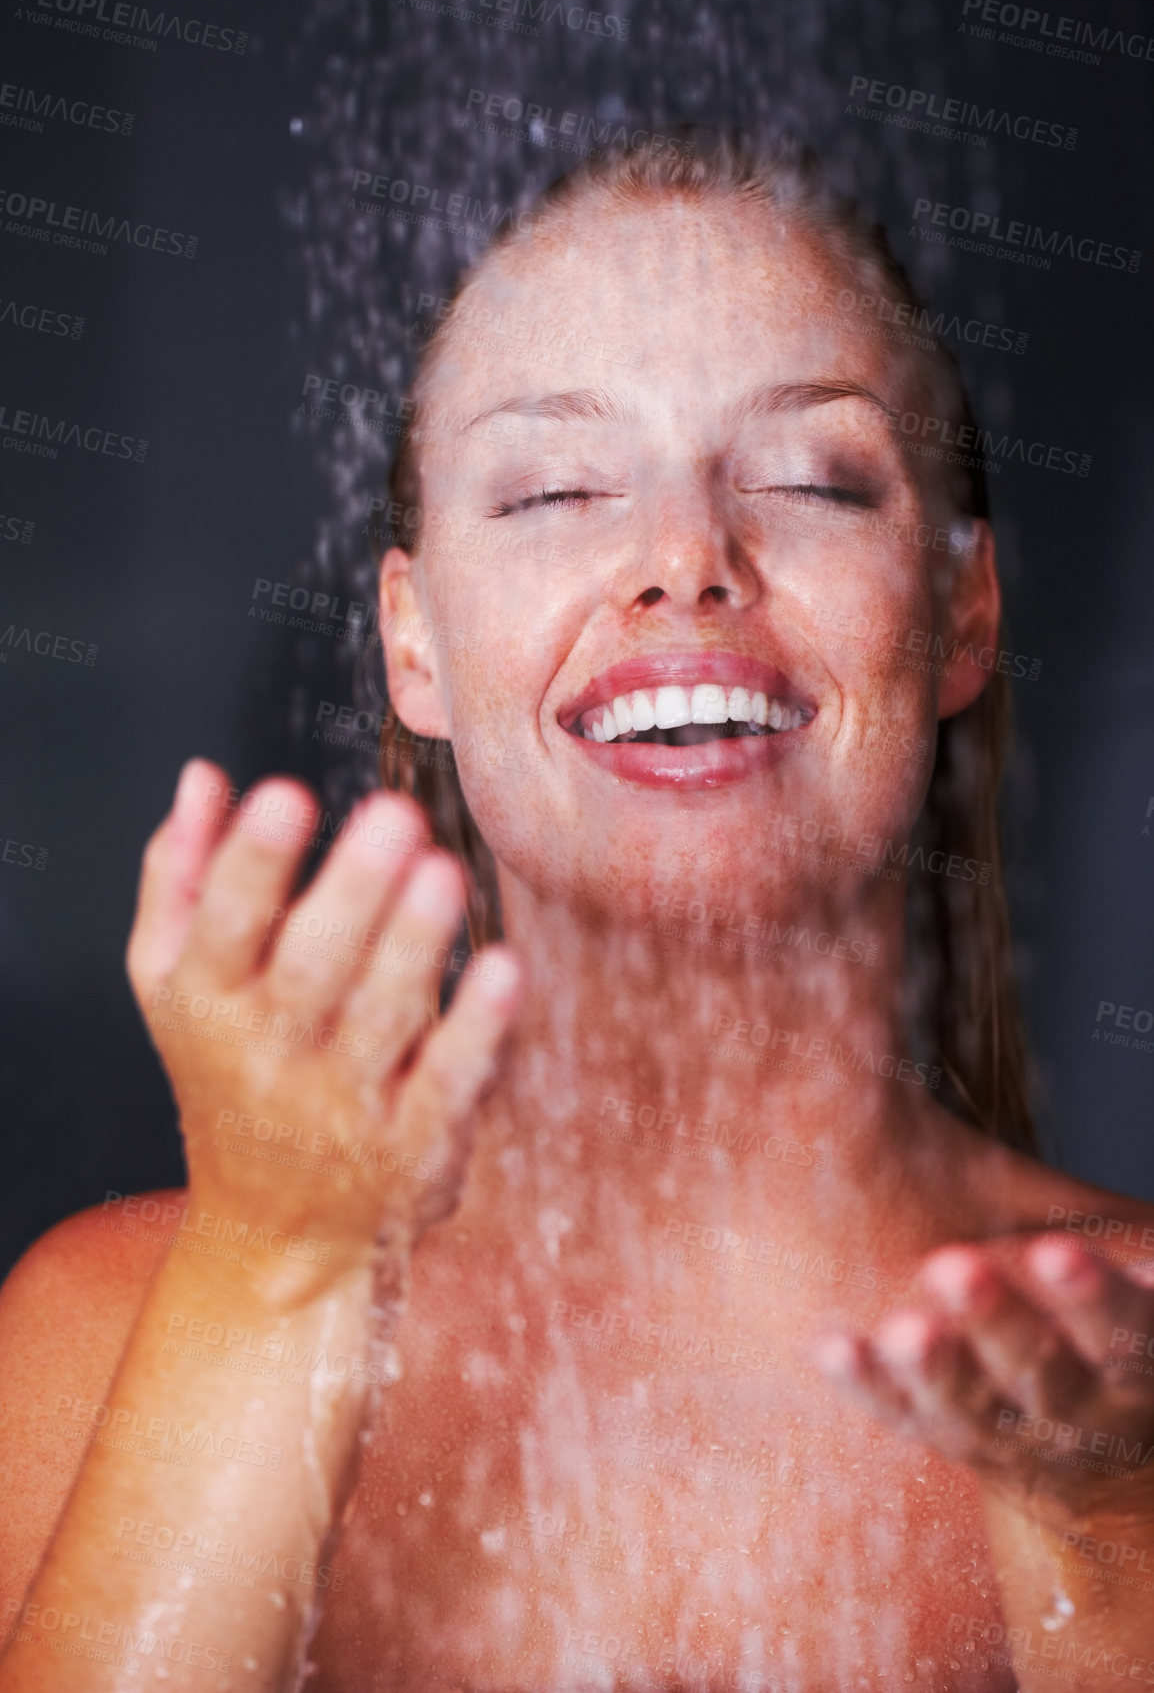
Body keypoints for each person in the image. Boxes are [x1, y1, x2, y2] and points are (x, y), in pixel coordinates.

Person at [1, 132, 1152, 1693]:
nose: (682, 558)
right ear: (416, 646)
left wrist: (1107, 1531)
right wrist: (274, 1271)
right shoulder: (104, 1334)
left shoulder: (1136, 1354)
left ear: (959, 612)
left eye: (812, 477)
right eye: (552, 488)